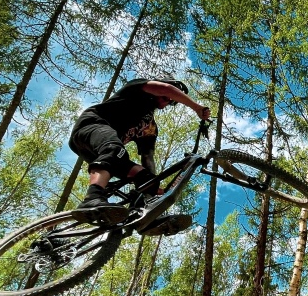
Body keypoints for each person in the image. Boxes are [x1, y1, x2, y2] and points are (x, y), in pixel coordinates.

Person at [69, 76, 211, 224]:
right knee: (115, 149)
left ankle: (143, 217)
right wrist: (197, 107)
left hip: (104, 153)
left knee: (146, 178)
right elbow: (166, 89)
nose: (168, 100)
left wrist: (152, 185)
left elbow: (148, 157)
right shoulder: (137, 89)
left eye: (172, 101)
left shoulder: (150, 127)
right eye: (168, 97)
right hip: (90, 127)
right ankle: (92, 198)